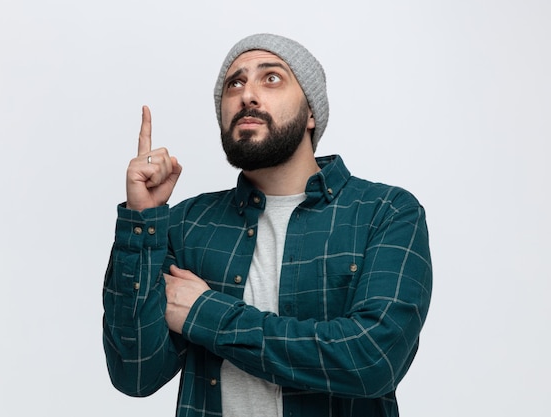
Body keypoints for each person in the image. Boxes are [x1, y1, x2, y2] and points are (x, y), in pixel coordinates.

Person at [103, 33, 432, 417]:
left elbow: (373, 360)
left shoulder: (385, 212)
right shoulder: (186, 225)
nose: (247, 95)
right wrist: (141, 221)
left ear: (311, 113)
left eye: (271, 78)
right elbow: (136, 374)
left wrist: (204, 312)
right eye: (235, 83)